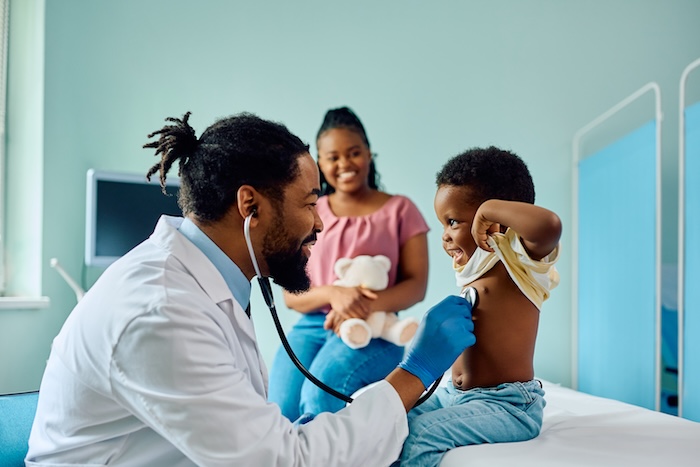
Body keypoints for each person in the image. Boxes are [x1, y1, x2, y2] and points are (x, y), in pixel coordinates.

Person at [26, 111, 476, 467]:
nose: (321, 223)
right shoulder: (161, 309)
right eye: (308, 204)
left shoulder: (206, 283)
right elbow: (281, 460)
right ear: (250, 206)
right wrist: (414, 373)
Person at [397, 146, 562, 466]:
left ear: (496, 223)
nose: (445, 236)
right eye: (443, 224)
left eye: (453, 221)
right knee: (394, 420)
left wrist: (489, 210)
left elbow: (549, 226)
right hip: (454, 395)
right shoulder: (474, 264)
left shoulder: (518, 260)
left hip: (509, 405)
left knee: (420, 433)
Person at [268, 106, 430, 420]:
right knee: (279, 408)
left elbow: (416, 286)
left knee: (318, 398)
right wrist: (335, 295)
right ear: (319, 161)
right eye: (332, 157)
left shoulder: (401, 210)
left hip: (374, 330)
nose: (344, 164)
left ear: (369, 153)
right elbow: (290, 296)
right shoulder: (311, 211)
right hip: (314, 326)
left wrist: (360, 306)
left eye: (353, 152)